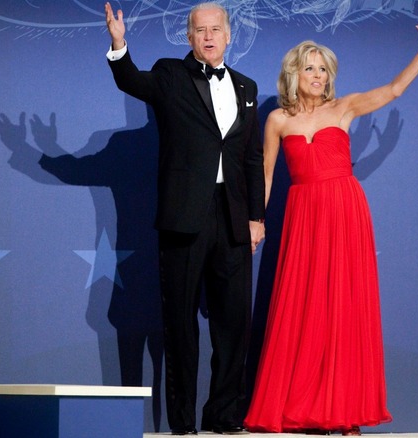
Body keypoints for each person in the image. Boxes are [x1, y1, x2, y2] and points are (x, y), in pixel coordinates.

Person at [244, 12, 418, 436]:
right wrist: (256, 221)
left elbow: (393, 90)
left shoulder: (345, 106)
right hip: (302, 216)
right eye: (309, 68)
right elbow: (264, 172)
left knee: (344, 307)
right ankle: (299, 408)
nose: (317, 75)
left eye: (323, 69)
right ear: (293, 73)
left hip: (344, 210)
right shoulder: (278, 120)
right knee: (302, 307)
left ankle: (347, 412)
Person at [104, 2, 265, 435]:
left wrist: (256, 218)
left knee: (234, 323)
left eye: (216, 29)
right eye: (200, 30)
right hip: (183, 218)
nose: (209, 36)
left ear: (228, 35)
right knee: (180, 325)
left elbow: (251, 160)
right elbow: (131, 80)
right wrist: (119, 44)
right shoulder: (171, 76)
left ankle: (224, 416)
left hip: (232, 219)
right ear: (189, 37)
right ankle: (183, 423)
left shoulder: (248, 88)